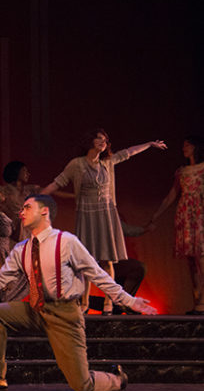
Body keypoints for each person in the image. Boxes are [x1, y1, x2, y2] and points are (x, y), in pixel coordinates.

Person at [0, 194, 157, 391]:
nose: (20, 212)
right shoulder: (21, 250)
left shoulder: (67, 242)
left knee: (82, 385)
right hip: (36, 310)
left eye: (27, 207)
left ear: (44, 211)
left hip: (65, 314)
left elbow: (98, 275)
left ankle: (117, 379)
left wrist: (130, 301)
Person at [41, 129, 166, 314]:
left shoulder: (108, 162)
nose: (103, 142)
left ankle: (109, 301)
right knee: (86, 261)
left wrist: (149, 144)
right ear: (89, 141)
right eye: (99, 138)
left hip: (106, 215)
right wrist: (38, 196)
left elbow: (128, 152)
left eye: (105, 140)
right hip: (87, 215)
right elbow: (57, 183)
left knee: (107, 260)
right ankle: (84, 302)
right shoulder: (76, 164)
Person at [148, 135, 204, 315]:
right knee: (191, 261)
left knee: (201, 257)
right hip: (186, 215)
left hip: (200, 213)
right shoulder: (182, 171)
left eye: (188, 145)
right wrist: (156, 215)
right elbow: (172, 195)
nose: (184, 148)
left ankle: (203, 302)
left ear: (196, 147)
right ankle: (197, 301)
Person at [0, 161, 41, 243]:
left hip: (26, 231)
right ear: (16, 171)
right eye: (24, 171)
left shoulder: (29, 190)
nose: (28, 174)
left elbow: (51, 190)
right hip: (12, 233)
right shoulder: (4, 191)